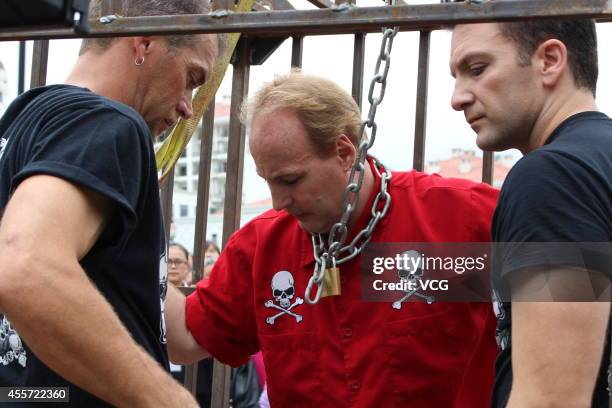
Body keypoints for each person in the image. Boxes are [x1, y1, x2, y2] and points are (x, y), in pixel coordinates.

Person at [165, 70, 500, 407]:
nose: (279, 202)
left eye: (291, 180)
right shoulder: (262, 247)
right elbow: (186, 338)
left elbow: (549, 302)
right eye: (268, 181)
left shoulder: (459, 219)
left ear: (344, 152)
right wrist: (132, 230)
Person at [0, 0, 218, 406]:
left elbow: (166, 325)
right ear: (145, 44)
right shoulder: (109, 123)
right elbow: (26, 265)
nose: (189, 107)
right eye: (191, 77)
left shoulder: (24, 119)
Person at [450, 19, 611, 407]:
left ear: (550, 60)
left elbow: (552, 400)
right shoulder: (598, 161)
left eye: (477, 69)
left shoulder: (554, 177)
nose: (457, 98)